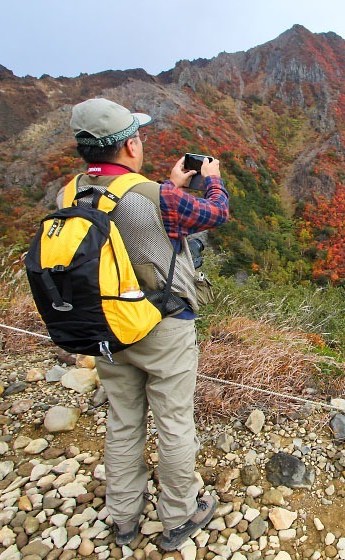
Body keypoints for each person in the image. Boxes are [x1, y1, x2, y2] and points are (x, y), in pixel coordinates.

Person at [62, 97, 229, 550]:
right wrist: (211, 180)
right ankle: (178, 518)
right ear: (131, 145)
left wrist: (167, 184)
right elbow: (215, 214)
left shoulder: (71, 192)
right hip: (162, 324)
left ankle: (123, 519)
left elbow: (121, 224)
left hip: (105, 326)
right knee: (173, 422)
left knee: (122, 419)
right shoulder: (157, 199)